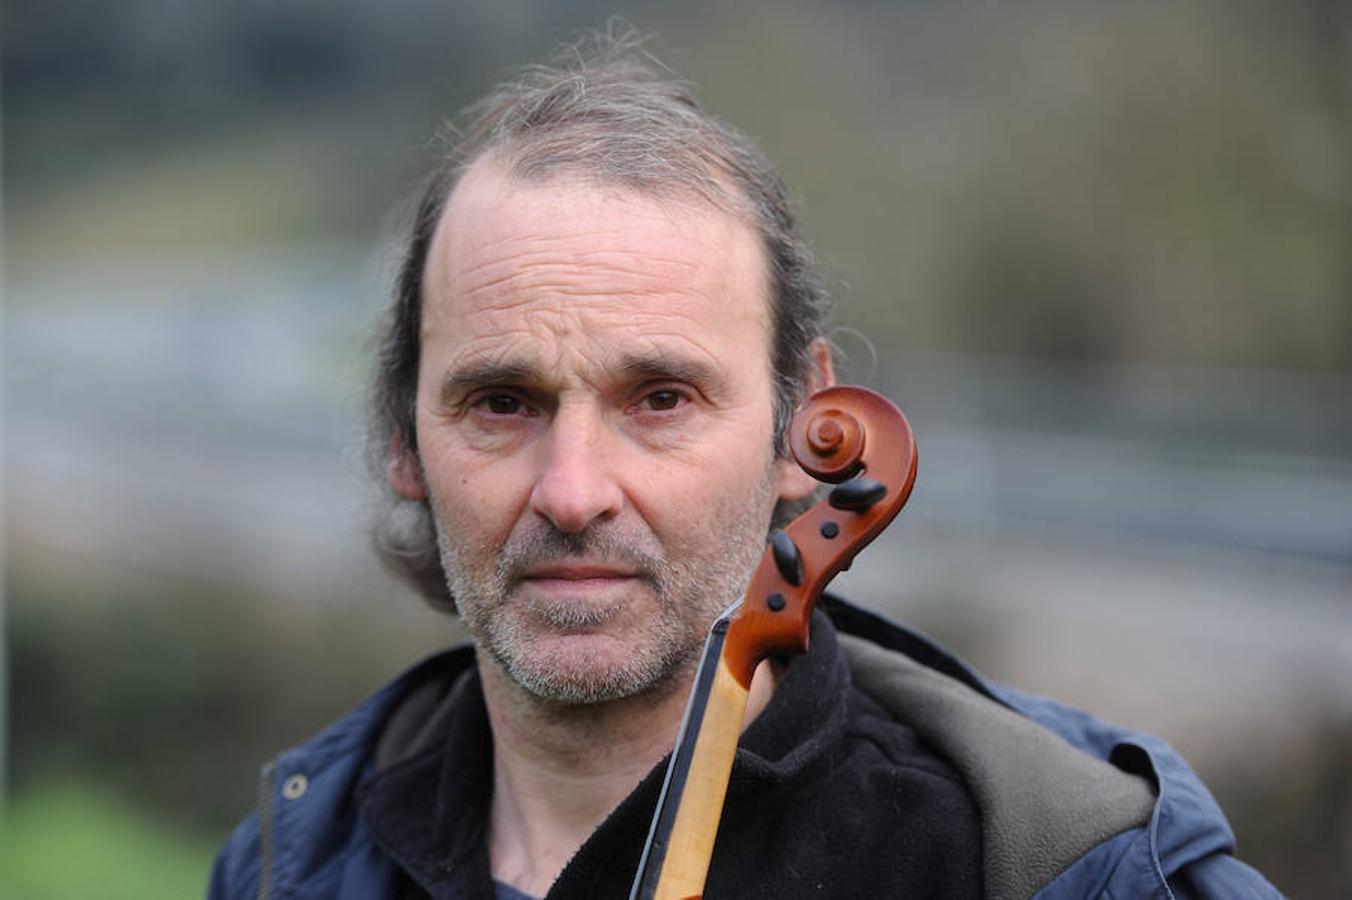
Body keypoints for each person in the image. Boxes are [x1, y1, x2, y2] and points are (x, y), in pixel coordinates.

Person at [209, 34, 1281, 899]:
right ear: (404, 438)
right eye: (501, 403)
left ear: (795, 425)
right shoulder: (292, 857)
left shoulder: (1060, 864)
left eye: (661, 399)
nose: (574, 491)